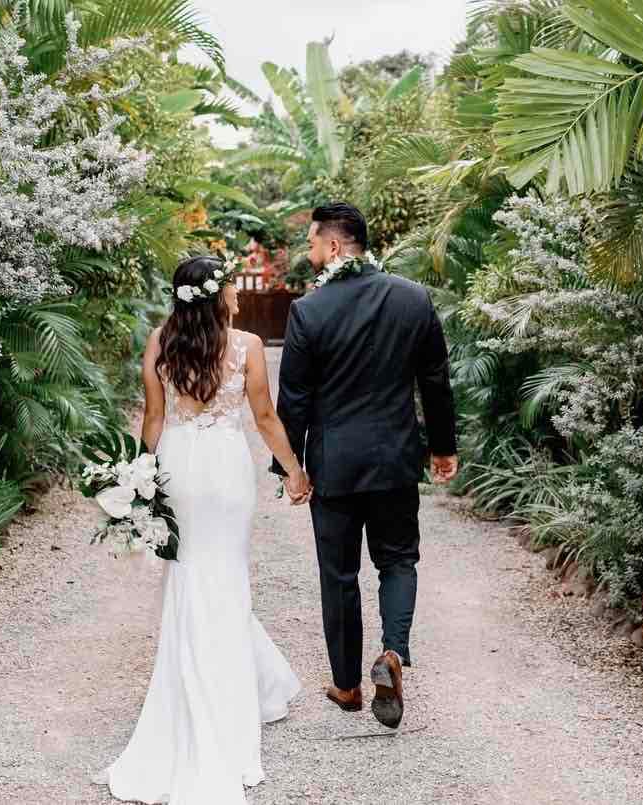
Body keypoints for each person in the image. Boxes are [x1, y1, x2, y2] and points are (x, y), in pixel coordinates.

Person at [93, 256, 307, 804]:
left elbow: (154, 417)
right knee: (226, 575)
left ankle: (216, 679)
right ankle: (223, 704)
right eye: (232, 285)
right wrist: (294, 470)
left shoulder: (161, 341)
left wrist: (143, 477)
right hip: (226, 467)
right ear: (218, 294)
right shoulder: (248, 346)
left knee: (191, 576)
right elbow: (264, 418)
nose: (237, 293)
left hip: (179, 466)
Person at [272, 202, 458, 729]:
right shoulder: (412, 297)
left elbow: (296, 401)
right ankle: (393, 653)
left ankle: (348, 686)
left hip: (334, 466)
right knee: (398, 560)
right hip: (396, 458)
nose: (308, 254)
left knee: (340, 574)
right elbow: (435, 381)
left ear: (334, 246)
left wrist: (289, 467)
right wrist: (442, 447)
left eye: (311, 243)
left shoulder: (309, 311)